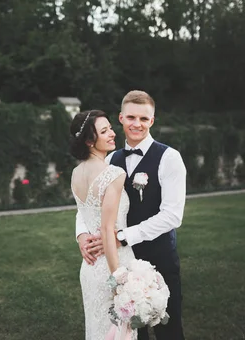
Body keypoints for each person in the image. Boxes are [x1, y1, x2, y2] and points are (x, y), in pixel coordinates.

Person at [76, 90, 187, 340]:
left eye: (144, 119)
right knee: (131, 333)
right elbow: (90, 202)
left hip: (159, 259)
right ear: (121, 118)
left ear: (152, 121)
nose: (137, 124)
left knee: (168, 330)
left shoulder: (169, 158)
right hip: (121, 262)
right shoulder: (111, 158)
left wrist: (123, 236)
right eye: (131, 117)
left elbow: (172, 216)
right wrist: (81, 234)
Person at [70, 109, 137, 340]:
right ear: (89, 141)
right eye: (104, 131)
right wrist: (118, 279)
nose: (112, 134)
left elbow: (85, 214)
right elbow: (108, 230)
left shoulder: (76, 173)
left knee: (98, 332)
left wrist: (81, 237)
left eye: (110, 128)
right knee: (120, 334)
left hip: (89, 268)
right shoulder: (114, 174)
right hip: (114, 263)